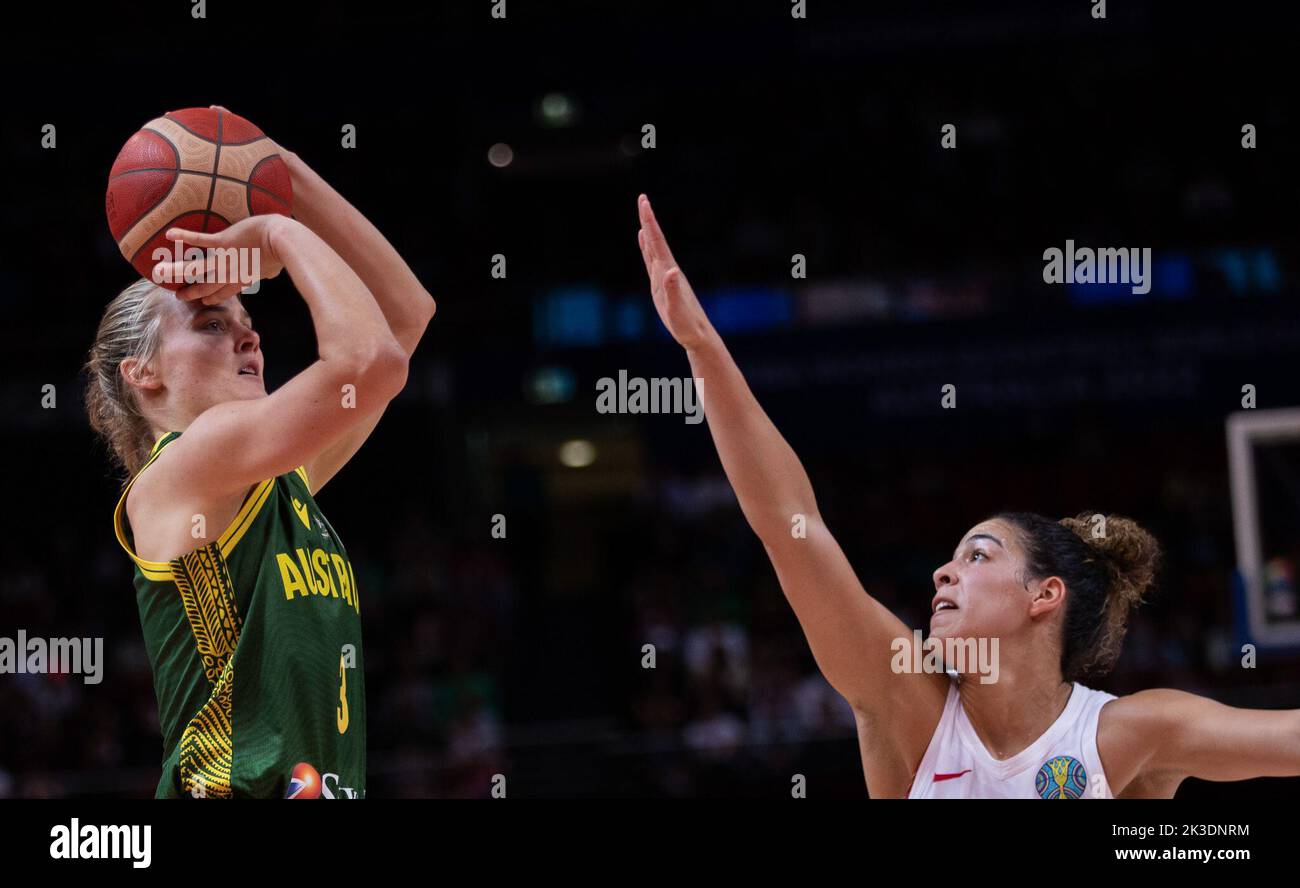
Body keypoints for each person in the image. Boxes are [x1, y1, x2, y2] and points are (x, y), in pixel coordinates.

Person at [634, 192, 1300, 798]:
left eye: (979, 556)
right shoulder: (906, 705)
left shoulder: (1129, 734)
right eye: (955, 556)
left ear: (1045, 594)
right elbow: (789, 521)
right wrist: (702, 346)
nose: (943, 570)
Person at [83, 114, 435, 798]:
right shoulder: (185, 467)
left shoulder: (272, 480)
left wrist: (278, 169)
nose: (250, 341)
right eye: (212, 323)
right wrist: (277, 229)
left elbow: (407, 316)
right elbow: (372, 362)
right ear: (142, 373)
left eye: (248, 325)